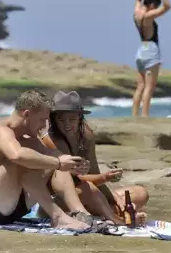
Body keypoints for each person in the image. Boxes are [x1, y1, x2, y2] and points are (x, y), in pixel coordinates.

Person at [0, 89, 96, 230]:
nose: (44, 126)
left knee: (49, 161)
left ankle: (80, 213)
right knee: (24, 160)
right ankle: (58, 217)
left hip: (13, 207)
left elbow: (56, 156)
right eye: (41, 120)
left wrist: (76, 164)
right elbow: (17, 156)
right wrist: (58, 163)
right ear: (27, 114)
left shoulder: (29, 139)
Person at [40, 90, 150, 225]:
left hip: (84, 192)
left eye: (72, 119)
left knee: (140, 193)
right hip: (55, 200)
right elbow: (74, 180)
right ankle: (119, 220)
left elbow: (94, 173)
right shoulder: (51, 139)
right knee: (88, 189)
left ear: (80, 117)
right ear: (53, 119)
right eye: (61, 120)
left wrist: (117, 200)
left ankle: (114, 210)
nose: (67, 125)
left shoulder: (86, 135)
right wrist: (105, 178)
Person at [131, 0, 171, 117]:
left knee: (140, 86)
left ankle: (134, 115)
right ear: (153, 5)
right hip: (151, 51)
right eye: (156, 6)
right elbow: (168, 6)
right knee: (149, 87)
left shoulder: (137, 13)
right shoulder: (148, 17)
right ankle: (145, 115)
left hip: (141, 50)